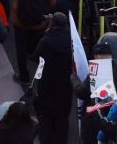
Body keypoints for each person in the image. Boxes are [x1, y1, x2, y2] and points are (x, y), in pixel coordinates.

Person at [2, 0, 55, 86]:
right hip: (39, 23)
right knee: (39, 49)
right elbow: (52, 2)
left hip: (20, 22)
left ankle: (24, 77)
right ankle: (40, 77)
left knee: (20, 49)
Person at [33, 13, 72, 144]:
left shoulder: (46, 41)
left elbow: (37, 57)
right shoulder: (71, 42)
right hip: (65, 85)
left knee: (45, 118)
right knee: (62, 119)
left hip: (47, 84)